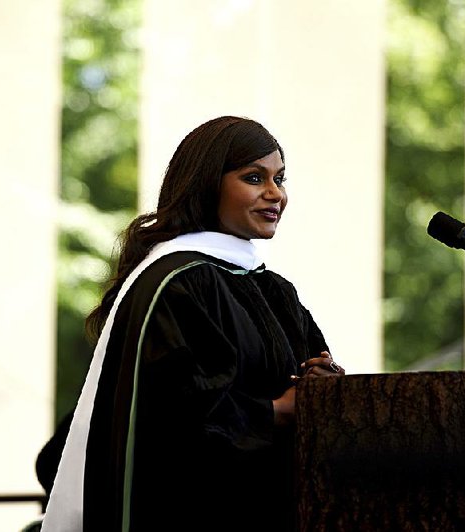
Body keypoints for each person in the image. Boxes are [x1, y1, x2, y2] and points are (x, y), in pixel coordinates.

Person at [41, 116, 346, 531]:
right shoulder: (176, 283)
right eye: (255, 178)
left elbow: (304, 371)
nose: (276, 194)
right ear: (207, 184)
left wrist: (323, 383)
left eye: (280, 179)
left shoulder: (272, 288)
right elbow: (175, 418)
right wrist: (276, 411)